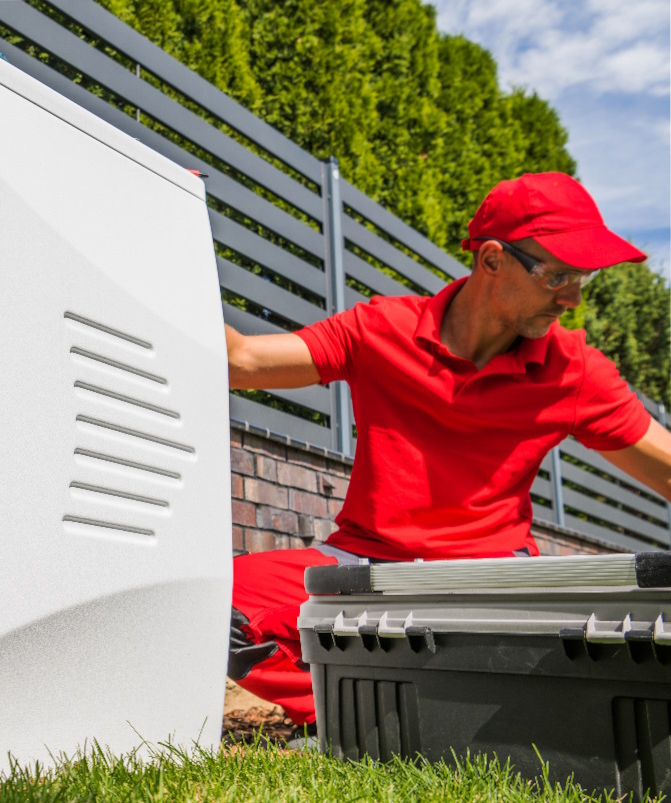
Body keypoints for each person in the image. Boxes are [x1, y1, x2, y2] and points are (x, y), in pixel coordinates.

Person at [224, 172, 671, 727]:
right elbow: (240, 362)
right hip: (367, 567)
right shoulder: (378, 330)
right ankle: (357, 718)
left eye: (583, 278)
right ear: (491, 259)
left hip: (493, 581)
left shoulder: (574, 371)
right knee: (219, 606)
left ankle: (422, 715)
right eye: (557, 275)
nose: (574, 299)